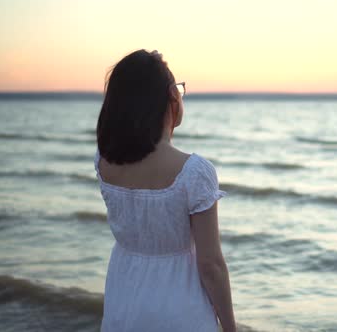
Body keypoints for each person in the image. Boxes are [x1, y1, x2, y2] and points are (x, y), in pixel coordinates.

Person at [94, 49, 237, 332]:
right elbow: (211, 266)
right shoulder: (194, 172)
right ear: (172, 95)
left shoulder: (104, 160)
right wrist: (231, 328)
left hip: (123, 301)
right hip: (180, 309)